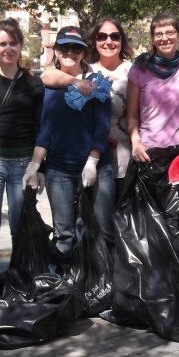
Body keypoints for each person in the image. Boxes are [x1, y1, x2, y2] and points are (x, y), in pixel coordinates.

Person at [26, 26, 112, 256]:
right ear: (56, 51)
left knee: (97, 232)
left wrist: (92, 161)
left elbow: (102, 128)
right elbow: (45, 129)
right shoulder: (48, 86)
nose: (70, 53)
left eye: (76, 48)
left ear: (84, 53)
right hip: (59, 170)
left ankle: (96, 284)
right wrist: (35, 165)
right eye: (64, 47)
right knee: (64, 235)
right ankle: (68, 285)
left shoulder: (96, 84)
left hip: (96, 167)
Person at [0, 18, 44, 276]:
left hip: (23, 165)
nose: (8, 49)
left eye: (13, 43)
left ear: (21, 45)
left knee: (19, 227)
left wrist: (39, 167)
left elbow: (40, 127)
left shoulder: (33, 81)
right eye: (2, 43)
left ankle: (19, 281)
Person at [41, 17, 133, 217]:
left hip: (123, 152)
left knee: (115, 220)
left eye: (114, 36)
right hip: (90, 153)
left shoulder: (133, 70)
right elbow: (47, 76)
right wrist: (77, 81)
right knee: (86, 221)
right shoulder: (88, 70)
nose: (108, 41)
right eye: (102, 36)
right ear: (95, 41)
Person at [127, 12, 179, 163]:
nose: (165, 38)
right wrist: (136, 141)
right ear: (153, 39)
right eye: (159, 34)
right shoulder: (140, 69)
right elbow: (132, 115)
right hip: (150, 151)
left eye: (170, 32)